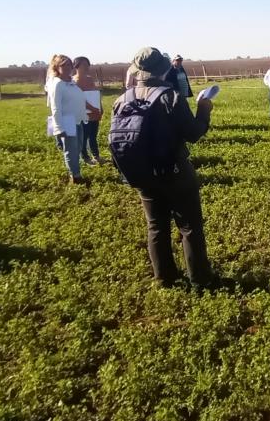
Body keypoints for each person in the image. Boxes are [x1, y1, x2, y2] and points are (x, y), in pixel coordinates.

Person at [121, 46, 217, 289]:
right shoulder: (169, 96)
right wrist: (204, 110)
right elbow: (194, 133)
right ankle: (200, 281)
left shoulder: (123, 99)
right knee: (189, 228)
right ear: (163, 70)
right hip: (175, 173)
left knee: (156, 226)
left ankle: (164, 279)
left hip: (142, 174)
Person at [45, 54, 88, 184]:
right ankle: (75, 176)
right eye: (64, 65)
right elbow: (55, 107)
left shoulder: (70, 82)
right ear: (56, 67)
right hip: (67, 121)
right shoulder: (57, 84)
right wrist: (59, 128)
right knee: (71, 150)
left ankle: (75, 172)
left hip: (77, 120)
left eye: (70, 64)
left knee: (79, 148)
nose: (69, 67)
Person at [73, 56, 104, 165]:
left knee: (93, 135)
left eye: (87, 65)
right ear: (76, 66)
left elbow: (95, 95)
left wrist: (100, 108)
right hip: (84, 113)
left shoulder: (90, 79)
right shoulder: (74, 82)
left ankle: (96, 156)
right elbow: (80, 99)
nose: (86, 67)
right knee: (84, 136)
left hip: (95, 113)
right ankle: (85, 158)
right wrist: (93, 109)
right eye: (83, 65)